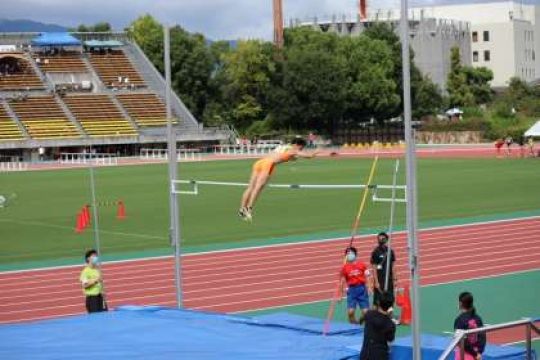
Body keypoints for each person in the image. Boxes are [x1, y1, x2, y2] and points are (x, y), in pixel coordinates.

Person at [238, 137, 321, 221]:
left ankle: (242, 209)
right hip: (268, 164)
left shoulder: (284, 146)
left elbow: (285, 156)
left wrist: (292, 158)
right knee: (258, 188)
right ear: (297, 145)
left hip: (259, 162)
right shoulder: (294, 150)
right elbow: (308, 156)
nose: (301, 149)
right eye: (301, 147)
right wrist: (316, 152)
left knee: (250, 187)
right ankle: (249, 208)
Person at [359, 291, 396, 360]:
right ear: (391, 306)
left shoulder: (369, 314)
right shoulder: (390, 324)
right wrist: (389, 317)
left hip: (365, 355)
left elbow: (361, 320)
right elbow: (390, 339)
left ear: (378, 302)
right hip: (380, 356)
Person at [339, 246, 370, 324]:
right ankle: (354, 326)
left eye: (351, 253)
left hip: (362, 289)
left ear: (355, 254)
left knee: (366, 313)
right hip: (352, 291)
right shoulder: (344, 268)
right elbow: (342, 281)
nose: (349, 255)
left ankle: (361, 320)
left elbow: (368, 276)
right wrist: (340, 295)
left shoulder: (362, 264)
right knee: (350, 312)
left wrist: (369, 287)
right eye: (347, 254)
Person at [453, 292, 486, 360]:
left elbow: (461, 341)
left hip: (464, 355)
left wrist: (474, 353)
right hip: (477, 355)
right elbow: (482, 337)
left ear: (460, 303)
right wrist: (479, 352)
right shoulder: (478, 318)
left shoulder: (459, 320)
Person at [370, 232, 398, 310]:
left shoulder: (391, 251)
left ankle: (390, 317)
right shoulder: (375, 252)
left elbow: (393, 266)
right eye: (379, 238)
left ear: (386, 239)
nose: (381, 239)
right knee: (376, 302)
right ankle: (373, 318)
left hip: (389, 280)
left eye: (383, 238)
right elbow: (374, 268)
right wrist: (376, 282)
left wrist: (395, 279)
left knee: (390, 300)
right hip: (380, 280)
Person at [79, 249, 107, 313]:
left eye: (96, 256)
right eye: (94, 256)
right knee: (95, 319)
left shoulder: (97, 269)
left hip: (100, 297)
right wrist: (96, 281)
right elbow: (85, 285)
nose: (96, 258)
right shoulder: (85, 272)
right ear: (88, 258)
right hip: (92, 299)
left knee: (105, 316)